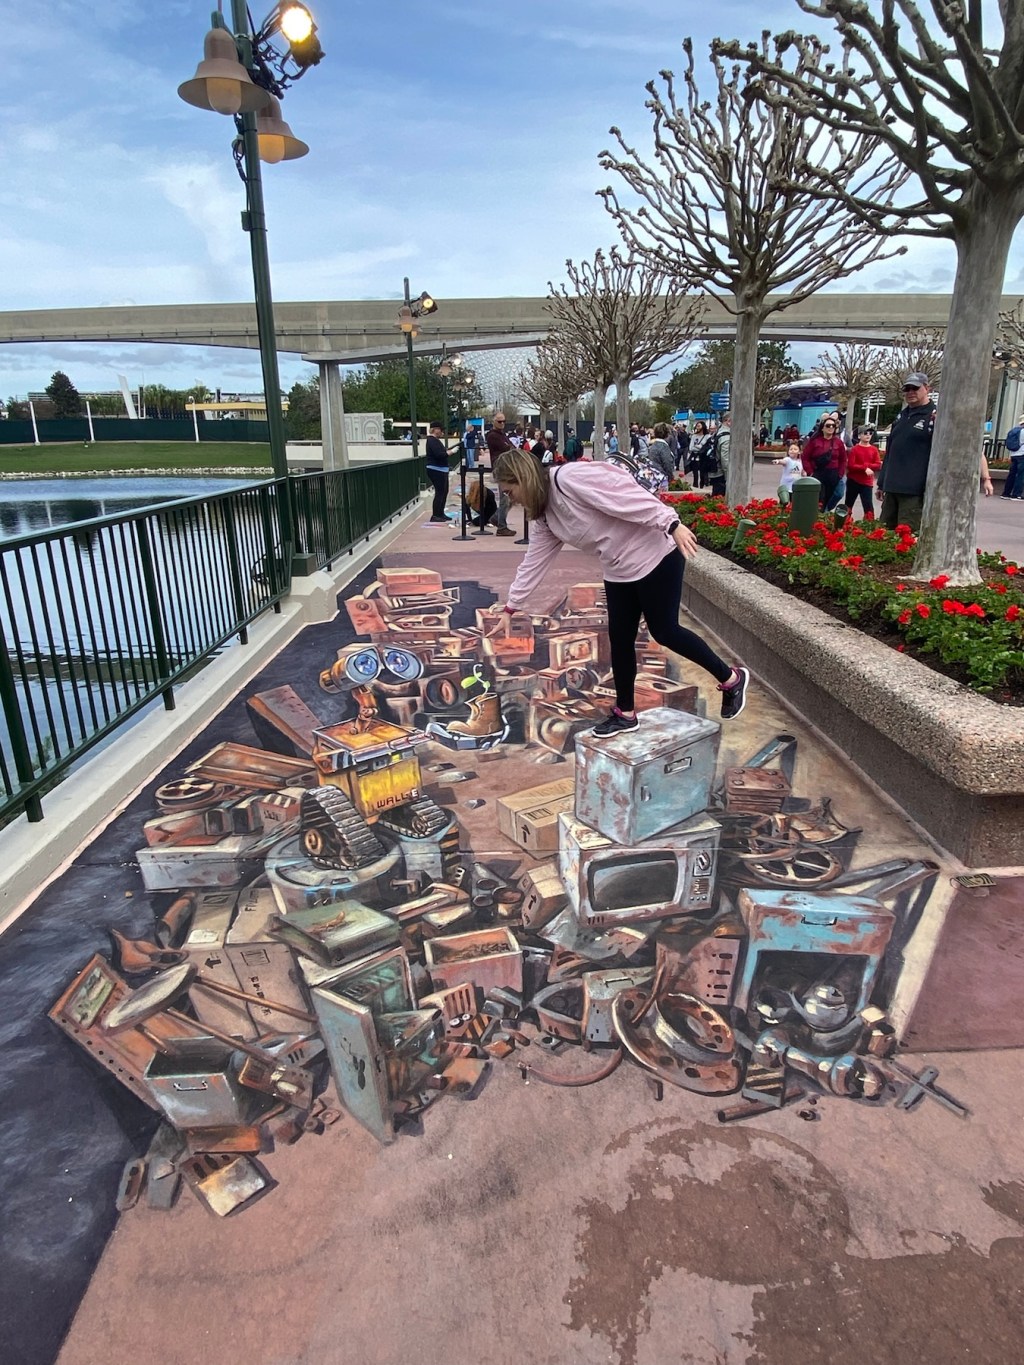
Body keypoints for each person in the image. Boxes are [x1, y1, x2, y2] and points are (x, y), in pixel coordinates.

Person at [488, 449, 749, 731]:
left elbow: (625, 494)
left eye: (508, 490)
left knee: (665, 631)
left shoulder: (569, 479)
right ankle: (625, 713)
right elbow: (534, 561)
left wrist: (670, 523)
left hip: (655, 554)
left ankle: (732, 679)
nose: (509, 498)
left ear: (522, 478)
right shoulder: (544, 518)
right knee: (620, 639)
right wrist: (511, 606)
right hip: (618, 568)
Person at [876, 373, 936, 532]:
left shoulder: (934, 416)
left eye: (915, 388)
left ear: (927, 388)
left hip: (913, 490)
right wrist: (882, 483)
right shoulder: (901, 416)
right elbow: (891, 450)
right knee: (883, 533)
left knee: (907, 535)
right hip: (892, 487)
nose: (910, 392)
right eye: (907, 389)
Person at [801, 415, 847, 509]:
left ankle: (826, 511)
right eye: (828, 425)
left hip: (834, 474)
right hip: (818, 473)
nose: (831, 428)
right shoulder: (814, 442)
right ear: (822, 428)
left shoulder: (838, 442)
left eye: (833, 426)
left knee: (836, 495)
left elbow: (843, 459)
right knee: (820, 499)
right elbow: (805, 457)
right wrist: (810, 472)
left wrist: (840, 473)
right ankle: (821, 514)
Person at [485, 413, 517, 536]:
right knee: (506, 496)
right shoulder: (493, 436)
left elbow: (511, 447)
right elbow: (508, 448)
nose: (502, 423)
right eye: (499, 421)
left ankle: (497, 518)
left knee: (510, 496)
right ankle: (501, 526)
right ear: (494, 422)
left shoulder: (502, 434)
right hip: (501, 468)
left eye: (504, 421)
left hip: (506, 467)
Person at [846, 427, 883, 519]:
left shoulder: (874, 449)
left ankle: (869, 527)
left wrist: (866, 467)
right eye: (865, 433)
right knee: (848, 505)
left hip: (867, 483)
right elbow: (851, 465)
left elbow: (878, 464)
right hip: (853, 481)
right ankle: (844, 524)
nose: (868, 435)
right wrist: (864, 468)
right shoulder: (854, 449)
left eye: (870, 433)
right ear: (859, 436)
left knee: (868, 508)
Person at [424, 420, 452, 523]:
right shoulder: (431, 440)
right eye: (440, 430)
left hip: (441, 469)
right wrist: (449, 453)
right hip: (435, 469)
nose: (442, 432)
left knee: (444, 491)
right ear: (435, 430)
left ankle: (441, 513)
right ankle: (435, 515)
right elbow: (439, 454)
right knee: (440, 492)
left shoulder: (435, 440)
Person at [1001, 414, 1024, 500]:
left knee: (1012, 474)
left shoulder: (1013, 430)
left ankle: (1006, 493)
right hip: (1022, 454)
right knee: (1020, 475)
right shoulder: (1023, 431)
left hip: (1014, 454)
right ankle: (1016, 494)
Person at [773, 441, 803, 506]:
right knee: (783, 502)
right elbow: (783, 461)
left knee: (794, 504)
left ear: (799, 452)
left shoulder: (800, 462)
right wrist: (778, 461)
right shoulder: (788, 459)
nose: (792, 451)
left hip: (795, 487)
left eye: (795, 449)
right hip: (786, 487)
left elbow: (803, 472)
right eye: (791, 449)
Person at [646, 423, 676, 487]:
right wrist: (670, 478)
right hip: (662, 479)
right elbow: (667, 464)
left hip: (654, 477)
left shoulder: (653, 446)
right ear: (667, 434)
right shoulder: (663, 447)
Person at [708, 413, 730, 497]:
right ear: (728, 421)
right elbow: (725, 459)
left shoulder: (718, 433)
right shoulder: (726, 437)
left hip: (715, 470)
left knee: (716, 496)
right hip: (721, 474)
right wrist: (728, 477)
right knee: (720, 498)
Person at [689, 420, 714, 488]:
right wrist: (699, 447)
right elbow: (691, 448)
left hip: (703, 457)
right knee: (695, 473)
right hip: (694, 456)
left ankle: (702, 486)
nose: (697, 427)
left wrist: (697, 446)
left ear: (703, 426)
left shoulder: (707, 436)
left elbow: (706, 448)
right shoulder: (694, 436)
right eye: (697, 426)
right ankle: (695, 485)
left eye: (699, 426)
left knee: (702, 473)